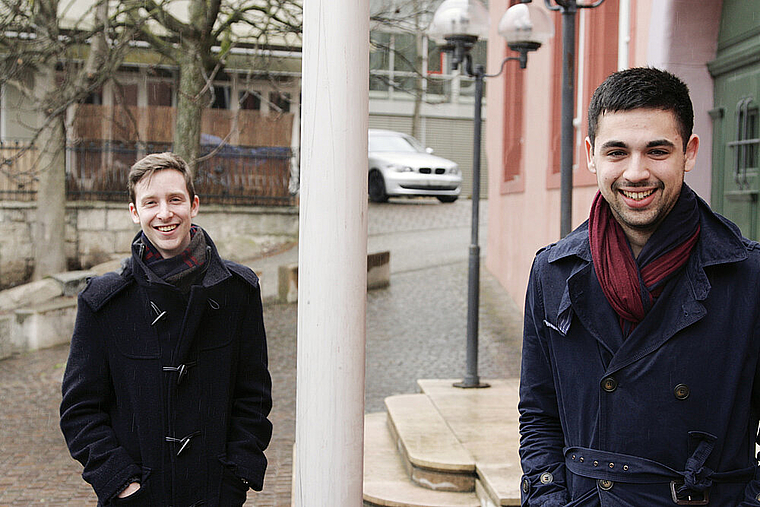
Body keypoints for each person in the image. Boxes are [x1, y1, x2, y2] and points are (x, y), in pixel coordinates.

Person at [519, 67, 760, 506]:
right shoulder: (551, 271)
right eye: (617, 152)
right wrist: (547, 498)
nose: (635, 173)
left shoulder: (748, 274)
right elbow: (539, 414)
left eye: (656, 151)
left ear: (689, 152)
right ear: (591, 155)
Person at [60, 152, 272, 506]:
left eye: (175, 199)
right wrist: (121, 482)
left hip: (214, 494)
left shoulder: (238, 291)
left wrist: (236, 476)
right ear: (134, 212)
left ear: (194, 204)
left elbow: (253, 396)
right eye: (150, 202)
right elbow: (80, 410)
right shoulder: (103, 302)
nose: (165, 213)